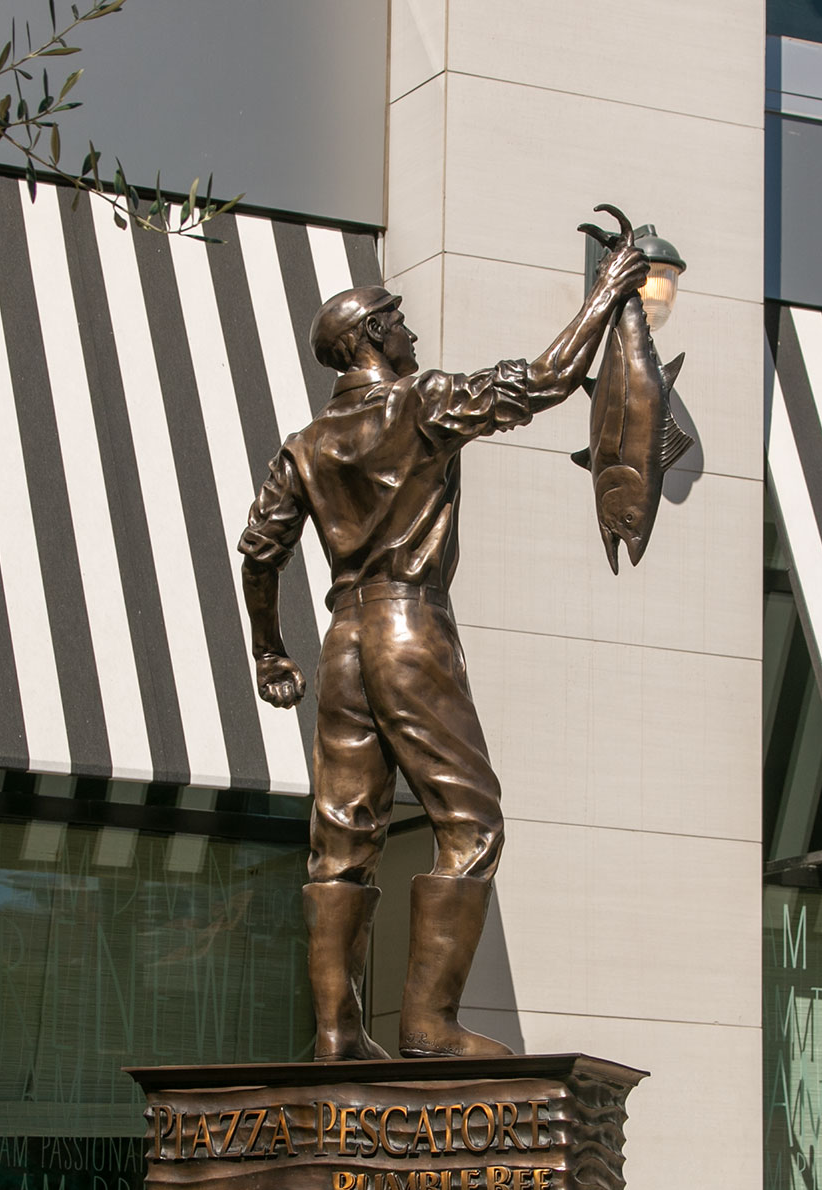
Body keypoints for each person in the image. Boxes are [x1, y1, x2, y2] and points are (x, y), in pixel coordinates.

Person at [237, 237, 650, 1060]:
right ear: (365, 340)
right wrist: (608, 292)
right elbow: (544, 380)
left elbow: (257, 550)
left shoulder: (306, 445)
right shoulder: (420, 403)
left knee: (343, 836)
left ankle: (335, 1036)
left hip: (342, 641)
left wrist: (271, 651)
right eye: (396, 324)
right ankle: (426, 1024)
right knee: (471, 822)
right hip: (408, 626)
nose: (410, 336)